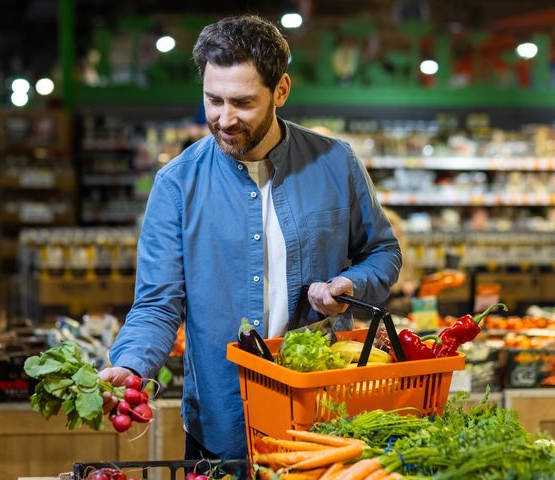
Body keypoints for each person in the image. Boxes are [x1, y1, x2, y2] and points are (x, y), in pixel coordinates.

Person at [99, 14, 402, 460]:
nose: (224, 118)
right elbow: (157, 303)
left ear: (281, 90)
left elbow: (383, 252)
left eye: (242, 102)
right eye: (213, 100)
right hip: (221, 426)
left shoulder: (336, 163)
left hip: (324, 422)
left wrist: (350, 286)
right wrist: (130, 365)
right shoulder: (176, 185)